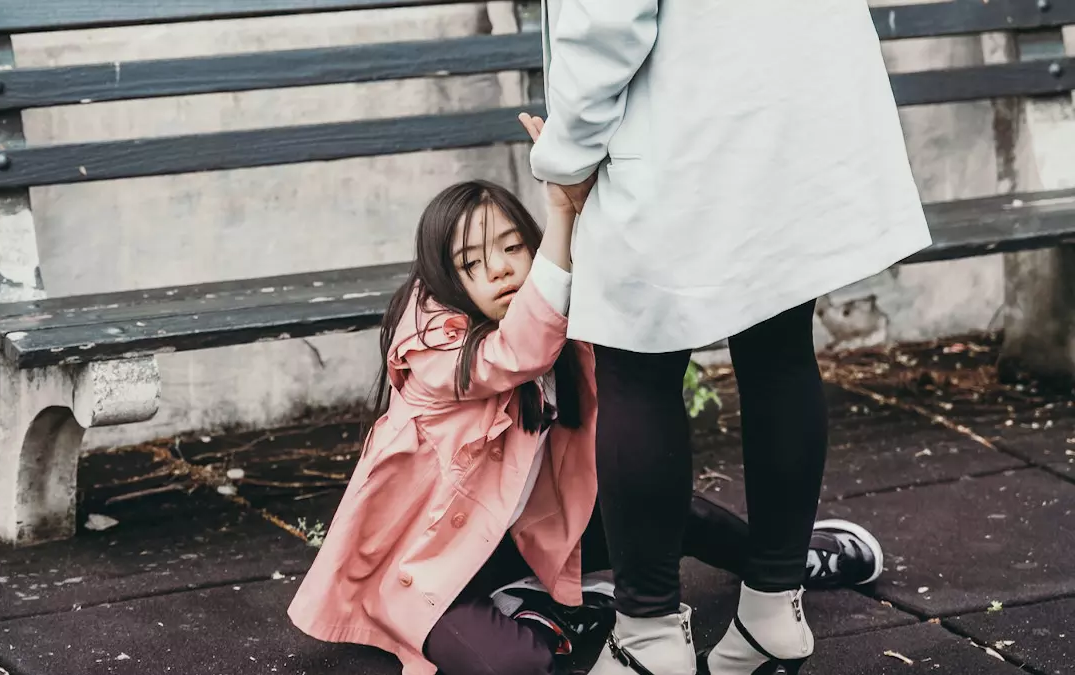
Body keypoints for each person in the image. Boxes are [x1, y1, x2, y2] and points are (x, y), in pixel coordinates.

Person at [287, 157, 885, 675]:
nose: (498, 268)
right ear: (444, 279)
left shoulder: (553, 322)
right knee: (519, 666)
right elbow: (516, 353)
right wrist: (562, 216)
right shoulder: (435, 349)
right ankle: (544, 611)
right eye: (471, 261)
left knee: (667, 514)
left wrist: (590, 188)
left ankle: (787, 562)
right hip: (433, 567)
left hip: (518, 536)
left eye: (512, 247)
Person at [525, 1, 933, 674]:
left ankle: (648, 637)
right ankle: (774, 608)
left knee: (637, 362)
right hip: (783, 103)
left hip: (679, 113)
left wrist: (566, 154)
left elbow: (609, 18)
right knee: (777, 347)